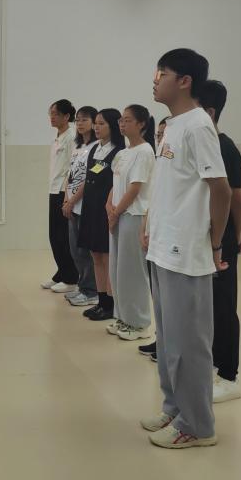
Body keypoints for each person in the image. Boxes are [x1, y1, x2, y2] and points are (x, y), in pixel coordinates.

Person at [141, 49, 231, 449]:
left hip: (186, 252)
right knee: (168, 340)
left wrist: (215, 242)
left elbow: (220, 189)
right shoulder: (173, 126)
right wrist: (150, 225)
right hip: (162, 247)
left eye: (162, 73)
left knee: (189, 344)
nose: (154, 80)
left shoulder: (198, 126)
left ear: (184, 81)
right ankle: (175, 406)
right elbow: (168, 186)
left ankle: (197, 424)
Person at [197, 80, 241, 403]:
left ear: (210, 112)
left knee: (223, 305)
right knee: (205, 305)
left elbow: (236, 198)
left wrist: (235, 236)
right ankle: (209, 364)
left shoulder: (224, 147)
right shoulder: (197, 142)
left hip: (221, 237)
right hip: (199, 235)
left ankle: (228, 375)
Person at [104, 104, 156, 340]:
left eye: (127, 120)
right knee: (117, 270)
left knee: (133, 271)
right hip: (118, 215)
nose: (122, 124)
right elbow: (116, 185)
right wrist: (109, 206)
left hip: (133, 216)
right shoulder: (123, 153)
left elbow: (135, 188)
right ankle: (124, 317)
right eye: (121, 120)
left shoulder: (145, 151)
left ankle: (139, 323)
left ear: (141, 124)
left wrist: (116, 213)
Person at [78, 109, 123, 319]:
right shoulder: (95, 148)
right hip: (90, 207)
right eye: (95, 123)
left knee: (106, 256)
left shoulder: (119, 151)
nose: (96, 127)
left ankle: (111, 304)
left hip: (105, 208)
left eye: (101, 123)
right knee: (95, 254)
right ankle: (101, 299)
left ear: (113, 125)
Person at [62, 108, 99, 304]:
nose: (80, 123)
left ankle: (91, 291)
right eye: (77, 120)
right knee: (74, 250)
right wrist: (66, 199)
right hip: (72, 205)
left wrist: (73, 200)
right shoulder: (77, 147)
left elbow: (89, 178)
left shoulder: (96, 146)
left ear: (94, 122)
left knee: (85, 251)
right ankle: (83, 286)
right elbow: (70, 175)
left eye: (84, 120)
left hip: (84, 205)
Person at [42, 100, 79, 293]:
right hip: (53, 190)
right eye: (51, 113)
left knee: (63, 236)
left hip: (63, 192)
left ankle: (71, 278)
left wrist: (68, 196)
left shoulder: (71, 137)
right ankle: (62, 272)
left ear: (66, 116)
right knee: (54, 236)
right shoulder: (58, 137)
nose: (52, 117)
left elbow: (73, 168)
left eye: (56, 114)